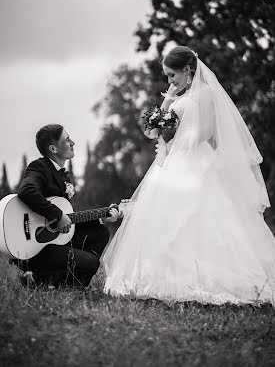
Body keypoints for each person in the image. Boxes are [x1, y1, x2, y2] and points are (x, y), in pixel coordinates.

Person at [103, 46, 275, 305]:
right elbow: (167, 131)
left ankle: (194, 277)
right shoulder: (194, 95)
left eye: (173, 75)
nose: (170, 81)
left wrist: (173, 116)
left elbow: (179, 132)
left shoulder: (195, 97)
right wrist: (171, 105)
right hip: (188, 159)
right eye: (167, 76)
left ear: (188, 70)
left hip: (189, 161)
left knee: (187, 214)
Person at [15, 123, 120, 288]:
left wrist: (102, 217)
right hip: (37, 247)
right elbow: (27, 191)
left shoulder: (64, 177)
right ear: (53, 149)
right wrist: (56, 215)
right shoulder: (40, 167)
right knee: (92, 263)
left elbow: (68, 218)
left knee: (100, 232)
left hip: (56, 240)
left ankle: (73, 284)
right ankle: (37, 278)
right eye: (67, 139)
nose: (73, 143)